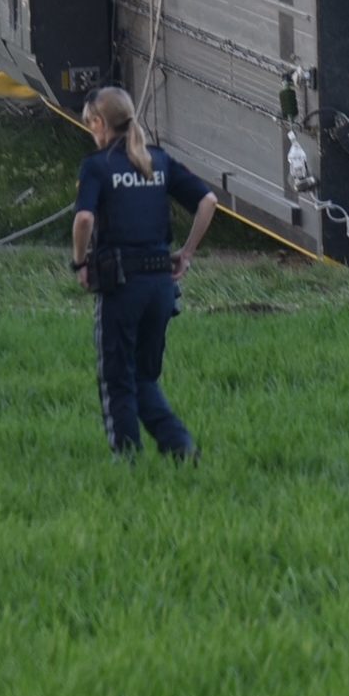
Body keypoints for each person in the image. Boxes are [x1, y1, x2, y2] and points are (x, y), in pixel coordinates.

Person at [68, 85, 218, 460]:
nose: (92, 133)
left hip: (121, 286)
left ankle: (127, 460)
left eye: (91, 125)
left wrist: (80, 262)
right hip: (159, 288)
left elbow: (84, 218)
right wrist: (185, 253)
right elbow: (208, 201)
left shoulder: (97, 166)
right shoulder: (158, 161)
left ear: (101, 123)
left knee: (117, 378)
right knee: (143, 377)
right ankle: (180, 447)